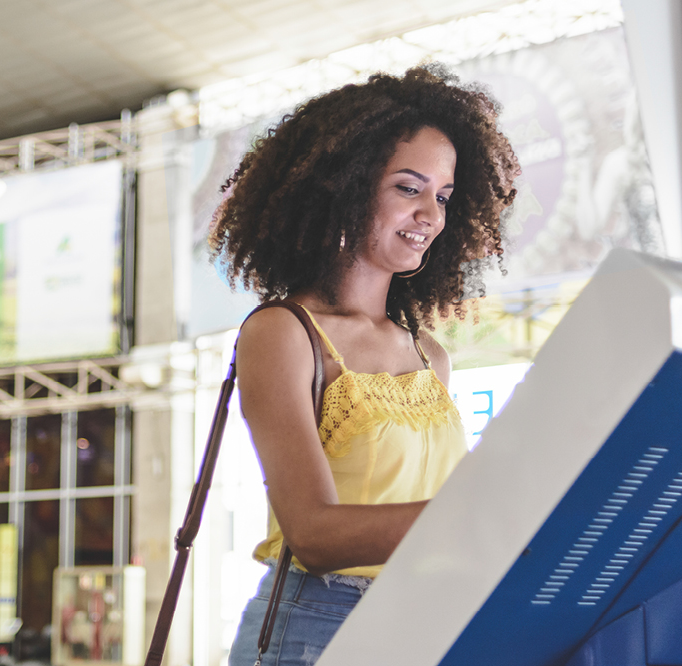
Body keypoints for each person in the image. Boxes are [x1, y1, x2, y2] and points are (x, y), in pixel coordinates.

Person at [209, 66, 519, 665]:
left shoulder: (430, 354)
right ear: (344, 186)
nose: (431, 213)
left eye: (444, 197)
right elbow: (314, 535)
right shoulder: (284, 333)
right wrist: (479, 512)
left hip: (421, 624)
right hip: (316, 626)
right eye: (409, 187)